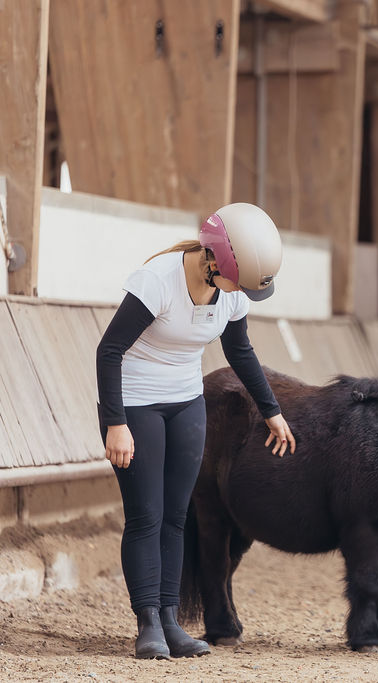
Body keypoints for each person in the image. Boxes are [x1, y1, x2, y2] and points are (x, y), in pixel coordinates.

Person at [96, 203, 296, 660]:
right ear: (216, 261)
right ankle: (147, 622)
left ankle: (171, 622)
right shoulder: (158, 282)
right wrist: (115, 424)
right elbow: (108, 352)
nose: (240, 293)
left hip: (186, 403)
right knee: (146, 516)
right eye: (239, 281)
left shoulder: (229, 293)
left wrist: (272, 411)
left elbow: (240, 350)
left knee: (177, 516)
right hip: (136, 402)